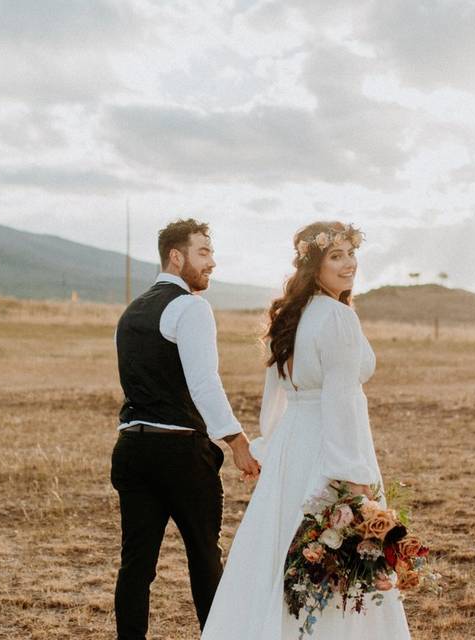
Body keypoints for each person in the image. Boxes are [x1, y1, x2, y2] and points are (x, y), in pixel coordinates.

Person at [201, 221, 411, 639]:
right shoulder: (335, 317)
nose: (349, 263)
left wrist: (271, 445)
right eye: (337, 256)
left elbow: (279, 396)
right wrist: (353, 481)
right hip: (328, 450)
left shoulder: (295, 316)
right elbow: (340, 402)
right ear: (313, 265)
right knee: (333, 566)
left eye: (352, 253)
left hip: (290, 450)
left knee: (279, 557)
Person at [111, 218, 261, 640]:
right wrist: (236, 439)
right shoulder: (191, 307)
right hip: (179, 454)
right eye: (203, 253)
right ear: (176, 258)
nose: (212, 262)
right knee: (204, 558)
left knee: (136, 567)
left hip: (132, 450)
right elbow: (204, 383)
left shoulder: (130, 312)